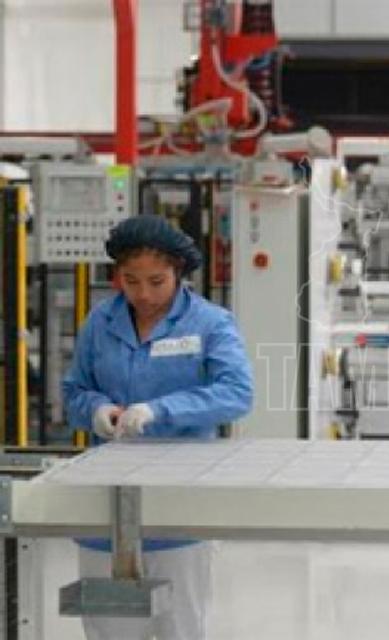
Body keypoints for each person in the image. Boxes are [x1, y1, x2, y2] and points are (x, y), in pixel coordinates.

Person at [63, 215, 254, 640]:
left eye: (156, 281)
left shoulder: (209, 323)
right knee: (109, 628)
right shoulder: (100, 323)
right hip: (107, 501)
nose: (144, 294)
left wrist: (160, 410)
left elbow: (236, 393)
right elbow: (74, 390)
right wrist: (95, 410)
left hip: (178, 500)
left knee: (179, 626)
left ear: (178, 273)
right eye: (131, 281)